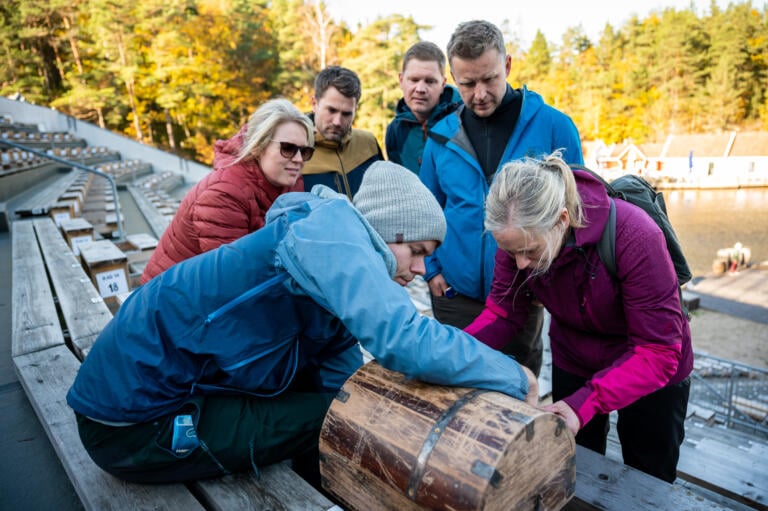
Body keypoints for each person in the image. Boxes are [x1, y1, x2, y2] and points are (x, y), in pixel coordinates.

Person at [67, 160, 538, 485]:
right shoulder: (332, 239)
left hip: (151, 393)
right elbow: (405, 339)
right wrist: (514, 375)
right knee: (327, 419)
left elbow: (345, 375)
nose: (420, 270)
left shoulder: (326, 250)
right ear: (387, 231)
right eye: (417, 252)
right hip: (129, 423)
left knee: (338, 407)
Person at [466, 151, 692, 483]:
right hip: (575, 354)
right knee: (575, 464)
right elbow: (503, 312)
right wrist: (452, 347)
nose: (520, 264)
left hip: (651, 366)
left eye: (529, 251)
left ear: (561, 220)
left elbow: (658, 351)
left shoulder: (635, 235)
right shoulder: (519, 237)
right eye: (510, 251)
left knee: (649, 474)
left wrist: (587, 401)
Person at [419, 20, 583, 377]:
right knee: (453, 391)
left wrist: (549, 279)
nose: (479, 93)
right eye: (467, 83)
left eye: (489, 79)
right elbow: (425, 210)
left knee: (516, 397)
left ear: (507, 65)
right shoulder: (440, 137)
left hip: (522, 293)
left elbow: (578, 215)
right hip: (453, 296)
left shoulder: (555, 127)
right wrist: (431, 269)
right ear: (452, 76)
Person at [141, 98, 313, 283]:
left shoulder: (289, 182)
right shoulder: (224, 195)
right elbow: (232, 279)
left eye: (304, 152)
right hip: (171, 304)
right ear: (258, 147)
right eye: (288, 148)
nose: (298, 159)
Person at [301, 66, 382, 199]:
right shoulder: (295, 152)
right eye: (331, 110)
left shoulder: (369, 144)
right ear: (314, 103)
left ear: (356, 109)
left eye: (346, 114)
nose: (337, 122)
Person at [385, 41, 461, 174]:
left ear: (443, 84)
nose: (420, 89)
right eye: (414, 80)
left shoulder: (464, 118)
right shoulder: (394, 131)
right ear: (401, 80)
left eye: (430, 81)